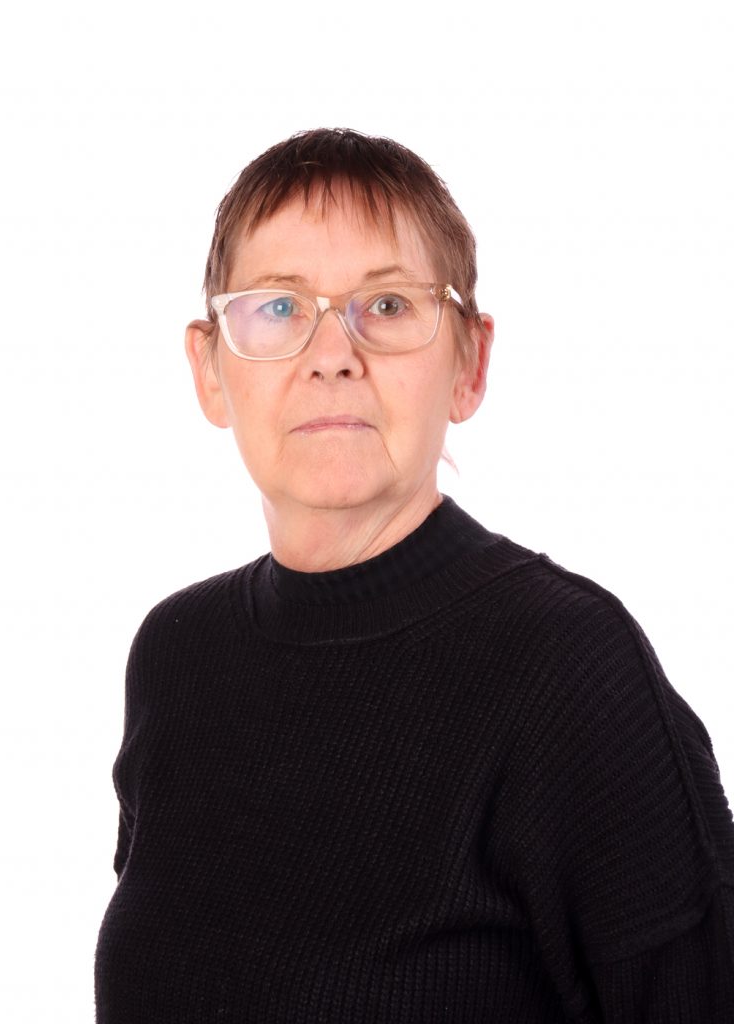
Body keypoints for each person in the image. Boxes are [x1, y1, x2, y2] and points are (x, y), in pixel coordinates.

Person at [94, 128, 734, 1023]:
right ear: (209, 369)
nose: (332, 352)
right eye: (278, 307)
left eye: (388, 305)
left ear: (470, 363)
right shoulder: (177, 653)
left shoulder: (572, 670)